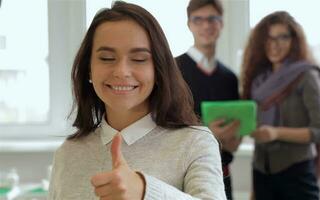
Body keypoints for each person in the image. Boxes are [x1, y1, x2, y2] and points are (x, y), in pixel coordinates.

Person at [48, 1, 227, 199]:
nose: (122, 72)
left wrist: (145, 191)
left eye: (139, 59)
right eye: (107, 58)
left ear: (158, 70)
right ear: (89, 69)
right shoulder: (67, 154)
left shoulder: (195, 142)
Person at [241, 11, 320, 200]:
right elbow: (258, 136)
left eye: (283, 37)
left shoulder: (307, 76)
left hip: (296, 173)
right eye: (269, 38)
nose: (275, 45)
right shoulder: (258, 81)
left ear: (294, 41)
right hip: (261, 173)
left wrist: (276, 133)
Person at [175, 0, 241, 199]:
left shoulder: (229, 78)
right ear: (189, 24)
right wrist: (209, 133)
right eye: (198, 20)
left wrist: (232, 136)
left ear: (221, 24)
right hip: (183, 178)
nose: (206, 26)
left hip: (223, 176)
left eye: (212, 19)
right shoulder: (173, 70)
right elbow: (161, 127)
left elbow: (234, 144)